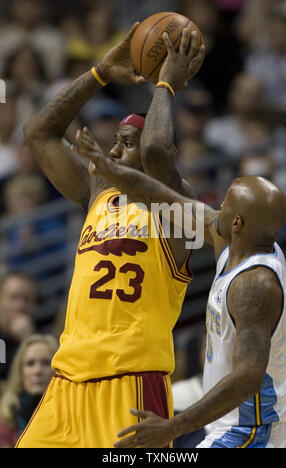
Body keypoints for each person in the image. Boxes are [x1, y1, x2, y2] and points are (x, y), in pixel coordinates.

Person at [73, 33, 286, 449]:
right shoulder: (245, 237)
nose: (213, 203)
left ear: (236, 222)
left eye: (225, 199)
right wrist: (109, 166)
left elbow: (248, 375)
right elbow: (166, 195)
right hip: (243, 419)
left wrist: (172, 427)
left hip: (253, 426)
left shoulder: (254, 285)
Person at [16, 25, 205, 448]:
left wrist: (166, 85)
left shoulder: (180, 208)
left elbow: (156, 151)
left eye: (124, 144)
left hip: (132, 382)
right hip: (66, 380)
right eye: (114, 143)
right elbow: (38, 132)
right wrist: (100, 72)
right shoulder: (96, 195)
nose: (114, 153)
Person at [0, 334, 58, 448]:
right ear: (20, 372)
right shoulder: (5, 418)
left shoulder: (70, 412)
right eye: (30, 363)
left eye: (46, 363)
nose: (37, 371)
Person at [0, 272, 37, 384]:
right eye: (13, 297)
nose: (20, 305)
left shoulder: (41, 338)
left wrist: (29, 340)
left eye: (26, 299)